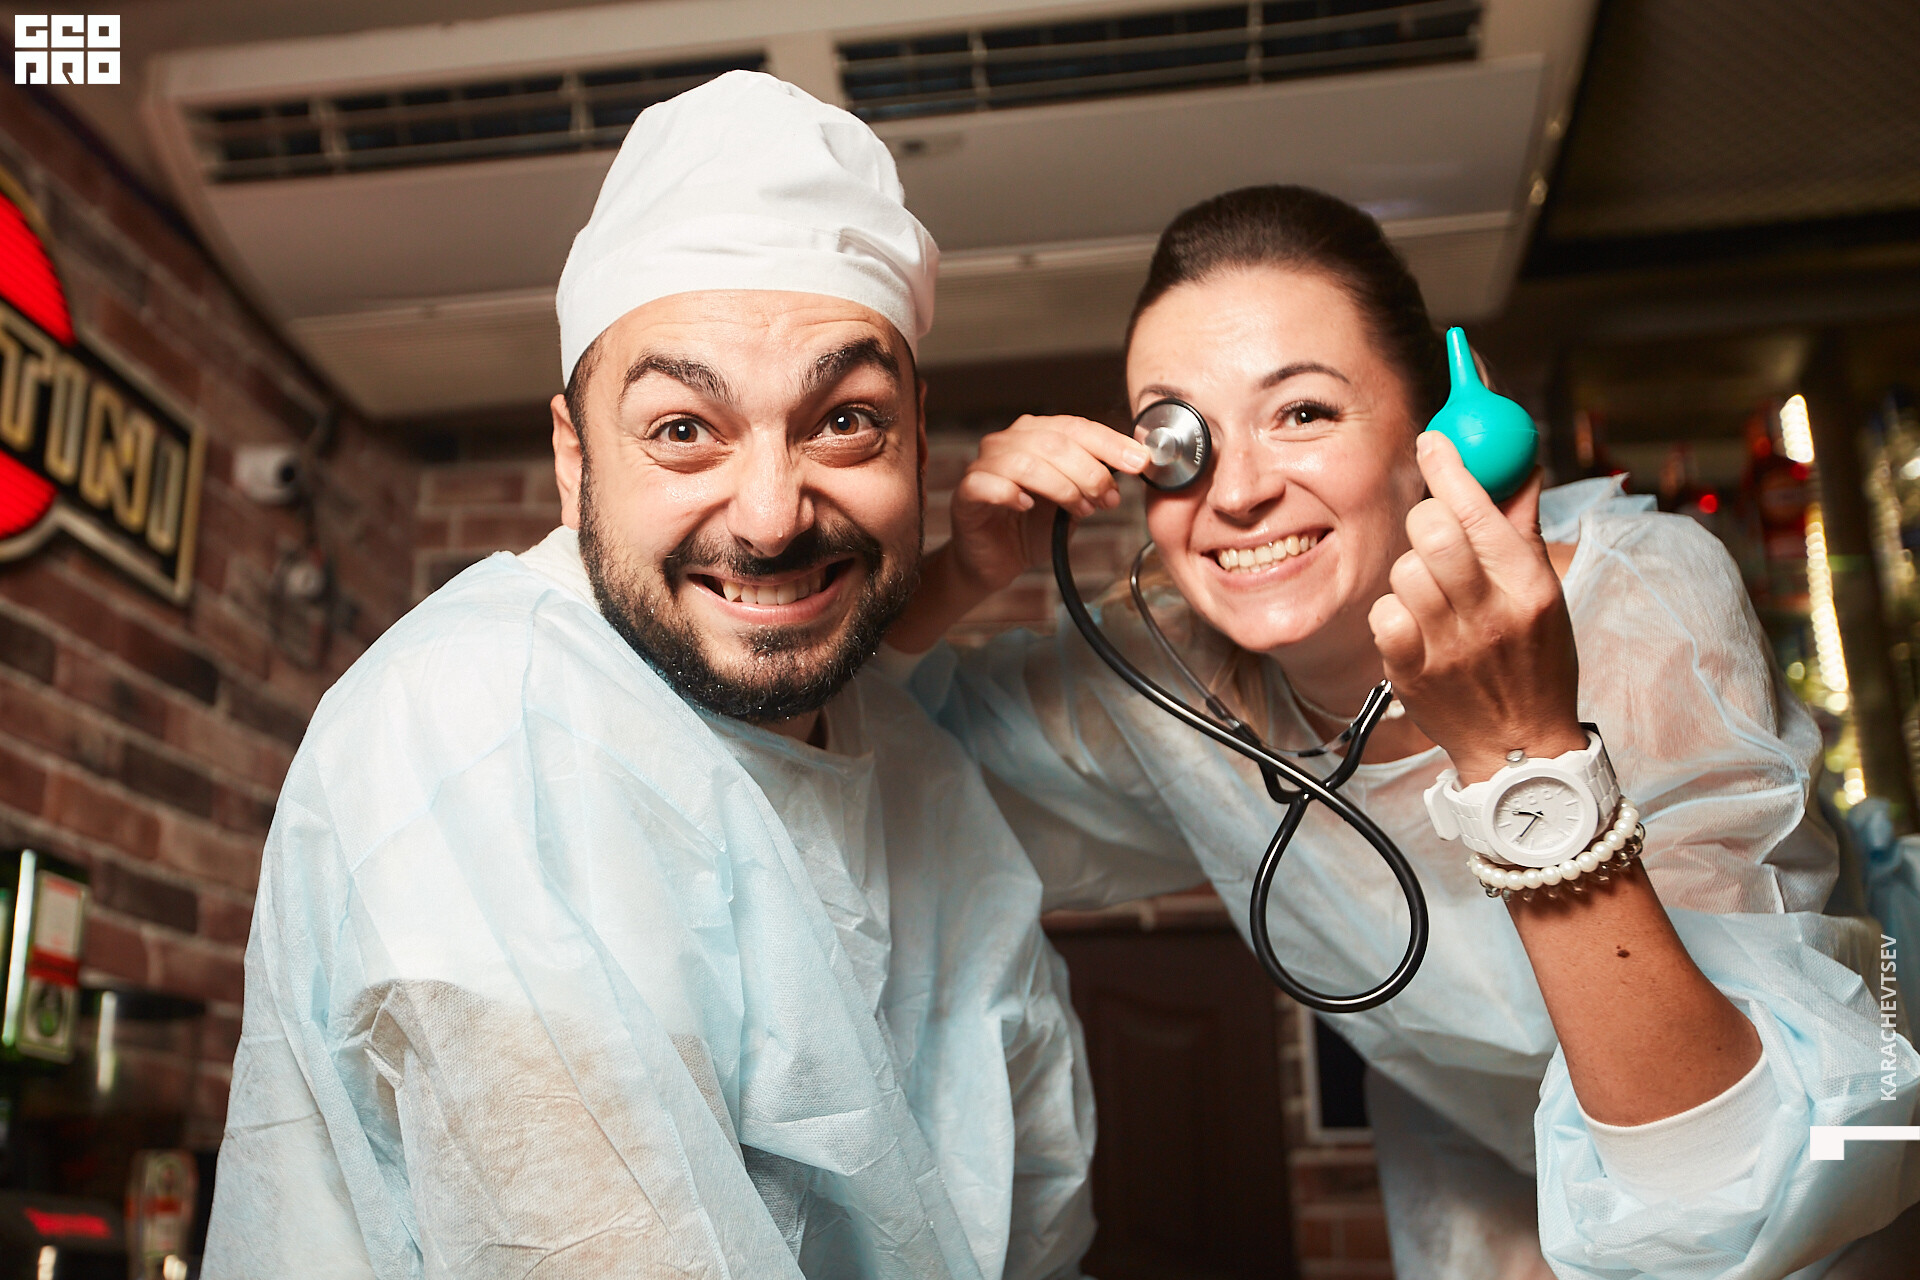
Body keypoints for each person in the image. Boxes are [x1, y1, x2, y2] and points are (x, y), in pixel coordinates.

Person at [886, 185, 1920, 1279]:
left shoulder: (1634, 602)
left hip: (1806, 1154)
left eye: (1303, 412)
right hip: (1493, 1148)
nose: (1237, 493)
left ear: (1439, 442)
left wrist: (1524, 749)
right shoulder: (1160, 669)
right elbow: (859, 768)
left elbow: (1735, 1172)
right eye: (1178, 436)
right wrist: (961, 573)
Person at [202, 72, 1095, 1280]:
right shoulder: (475, 728)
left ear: (919, 439)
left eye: (845, 421)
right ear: (575, 460)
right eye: (684, 429)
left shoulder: (911, 765)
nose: (772, 515)